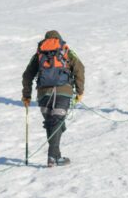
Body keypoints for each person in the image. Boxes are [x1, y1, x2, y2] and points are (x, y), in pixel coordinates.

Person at [21, 30, 85, 167]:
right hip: (63, 92)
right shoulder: (66, 51)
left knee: (53, 123)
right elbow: (79, 68)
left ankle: (56, 156)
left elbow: (27, 75)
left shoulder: (39, 54)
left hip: (43, 94)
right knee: (57, 123)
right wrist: (80, 91)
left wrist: (26, 95)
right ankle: (52, 156)